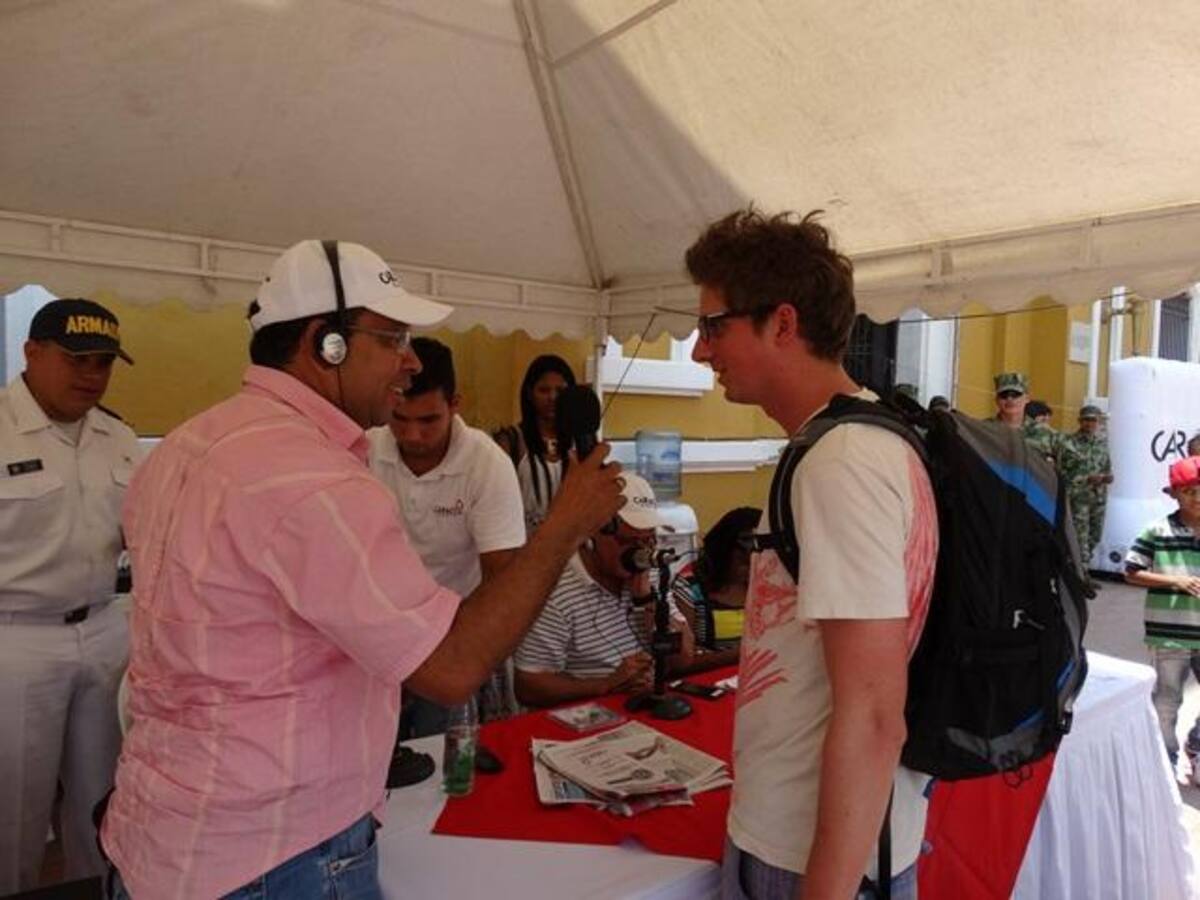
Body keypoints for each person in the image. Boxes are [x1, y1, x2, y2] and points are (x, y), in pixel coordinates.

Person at [100, 239, 624, 899]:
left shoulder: (183, 445)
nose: (410, 361)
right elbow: (451, 669)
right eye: (392, 338)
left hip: (160, 832)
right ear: (326, 343)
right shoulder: (314, 478)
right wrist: (565, 526)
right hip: (273, 854)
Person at [686, 209, 937, 899]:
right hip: (819, 841)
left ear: (783, 323)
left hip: (808, 856)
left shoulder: (843, 461)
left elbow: (875, 716)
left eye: (713, 326)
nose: (700, 352)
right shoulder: (850, 441)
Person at [0, 298, 141, 894]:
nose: (91, 375)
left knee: (104, 800)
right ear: (31, 353)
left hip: (105, 628)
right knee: (13, 812)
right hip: (17, 638)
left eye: (103, 362)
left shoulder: (118, 435)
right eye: (76, 359)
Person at [366, 336, 526, 733]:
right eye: (400, 419)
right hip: (378, 635)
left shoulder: (487, 464)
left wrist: (455, 653)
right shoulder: (364, 449)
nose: (412, 435)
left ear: (455, 405)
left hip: (453, 636)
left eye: (428, 421)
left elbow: (501, 579)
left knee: (443, 750)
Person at [514, 473, 694, 707]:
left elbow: (683, 660)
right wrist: (606, 685)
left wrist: (647, 601)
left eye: (648, 540)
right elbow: (528, 687)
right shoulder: (555, 591)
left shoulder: (649, 572)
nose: (640, 553)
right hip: (589, 714)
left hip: (648, 706)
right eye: (628, 541)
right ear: (590, 536)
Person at [1124, 456, 1200, 780]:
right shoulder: (1157, 530)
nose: (1197, 498)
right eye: (1189, 491)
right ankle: (1164, 763)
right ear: (1174, 494)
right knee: (1167, 702)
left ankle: (1196, 745)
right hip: (1169, 634)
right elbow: (1131, 571)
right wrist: (1175, 581)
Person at [493, 354, 576, 532]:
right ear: (530, 394)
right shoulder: (511, 441)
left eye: (560, 390)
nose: (553, 397)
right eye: (544, 390)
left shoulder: (579, 443)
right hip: (525, 545)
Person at [671, 506, 759, 669]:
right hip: (711, 676)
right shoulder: (690, 587)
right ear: (724, 550)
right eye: (742, 559)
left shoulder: (768, 582)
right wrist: (741, 654)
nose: (750, 565)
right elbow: (680, 662)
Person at [1064, 404, 1113, 568]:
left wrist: (1106, 478)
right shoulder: (1069, 443)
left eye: (1093, 420)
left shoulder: (1101, 444)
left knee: (1095, 535)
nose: (1090, 423)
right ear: (1080, 421)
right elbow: (1062, 471)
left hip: (1098, 497)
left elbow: (1107, 468)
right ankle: (1081, 571)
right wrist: (1086, 478)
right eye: (1086, 420)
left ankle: (1081, 565)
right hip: (1078, 497)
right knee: (1080, 536)